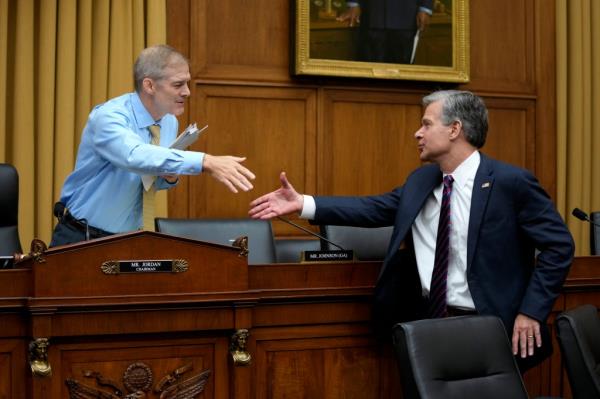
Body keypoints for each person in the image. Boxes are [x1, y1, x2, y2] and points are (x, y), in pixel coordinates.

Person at [248, 90, 575, 371]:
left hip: (492, 327)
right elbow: (372, 208)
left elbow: (559, 246)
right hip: (428, 324)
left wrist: (531, 311)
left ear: (455, 129)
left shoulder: (510, 183)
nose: (417, 133)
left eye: (426, 124)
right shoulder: (421, 181)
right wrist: (302, 202)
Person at [50, 45, 255, 247]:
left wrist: (169, 177)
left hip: (129, 239)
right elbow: (134, 156)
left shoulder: (169, 121)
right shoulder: (108, 117)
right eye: (178, 85)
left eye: (187, 84)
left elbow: (149, 181)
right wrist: (204, 161)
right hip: (83, 237)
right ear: (149, 86)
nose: (187, 92)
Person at [337, 0, 433, 63]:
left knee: (402, 77)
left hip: (406, 15)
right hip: (372, 14)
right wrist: (354, 3)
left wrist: (425, 7)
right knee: (369, 77)